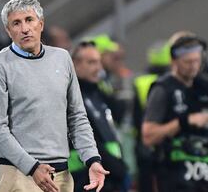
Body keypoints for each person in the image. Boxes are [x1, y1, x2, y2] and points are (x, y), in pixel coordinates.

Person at [0, 0, 109, 192]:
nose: (24, 28)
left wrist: (92, 159)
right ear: (8, 30)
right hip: (18, 175)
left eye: (29, 20)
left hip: (61, 176)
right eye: (16, 23)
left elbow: (77, 116)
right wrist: (32, 167)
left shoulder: (62, 58)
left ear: (41, 24)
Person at [142, 31, 208, 192]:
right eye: (187, 62)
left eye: (196, 61)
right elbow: (148, 136)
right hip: (174, 175)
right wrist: (183, 122)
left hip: (201, 174)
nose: (193, 66)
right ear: (174, 61)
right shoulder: (164, 89)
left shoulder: (202, 87)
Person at [70, 40, 128, 192]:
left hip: (109, 177)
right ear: (75, 64)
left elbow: (118, 115)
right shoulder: (71, 96)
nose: (99, 68)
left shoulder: (98, 92)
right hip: (85, 179)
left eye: (99, 62)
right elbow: (87, 137)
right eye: (92, 63)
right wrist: (116, 167)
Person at [132, 40, 171, 192]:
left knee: (146, 183)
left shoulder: (140, 81)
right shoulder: (172, 82)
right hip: (166, 140)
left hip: (143, 141)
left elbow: (136, 117)